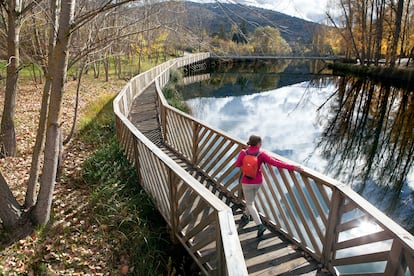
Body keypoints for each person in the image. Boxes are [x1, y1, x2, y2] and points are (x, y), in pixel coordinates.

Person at [234, 134, 303, 238]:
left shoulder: (243, 152)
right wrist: (293, 167)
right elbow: (276, 163)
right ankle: (246, 215)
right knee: (250, 202)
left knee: (249, 203)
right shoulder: (261, 154)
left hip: (246, 181)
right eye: (261, 142)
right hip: (257, 182)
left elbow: (237, 165)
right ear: (258, 144)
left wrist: (246, 165)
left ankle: (259, 225)